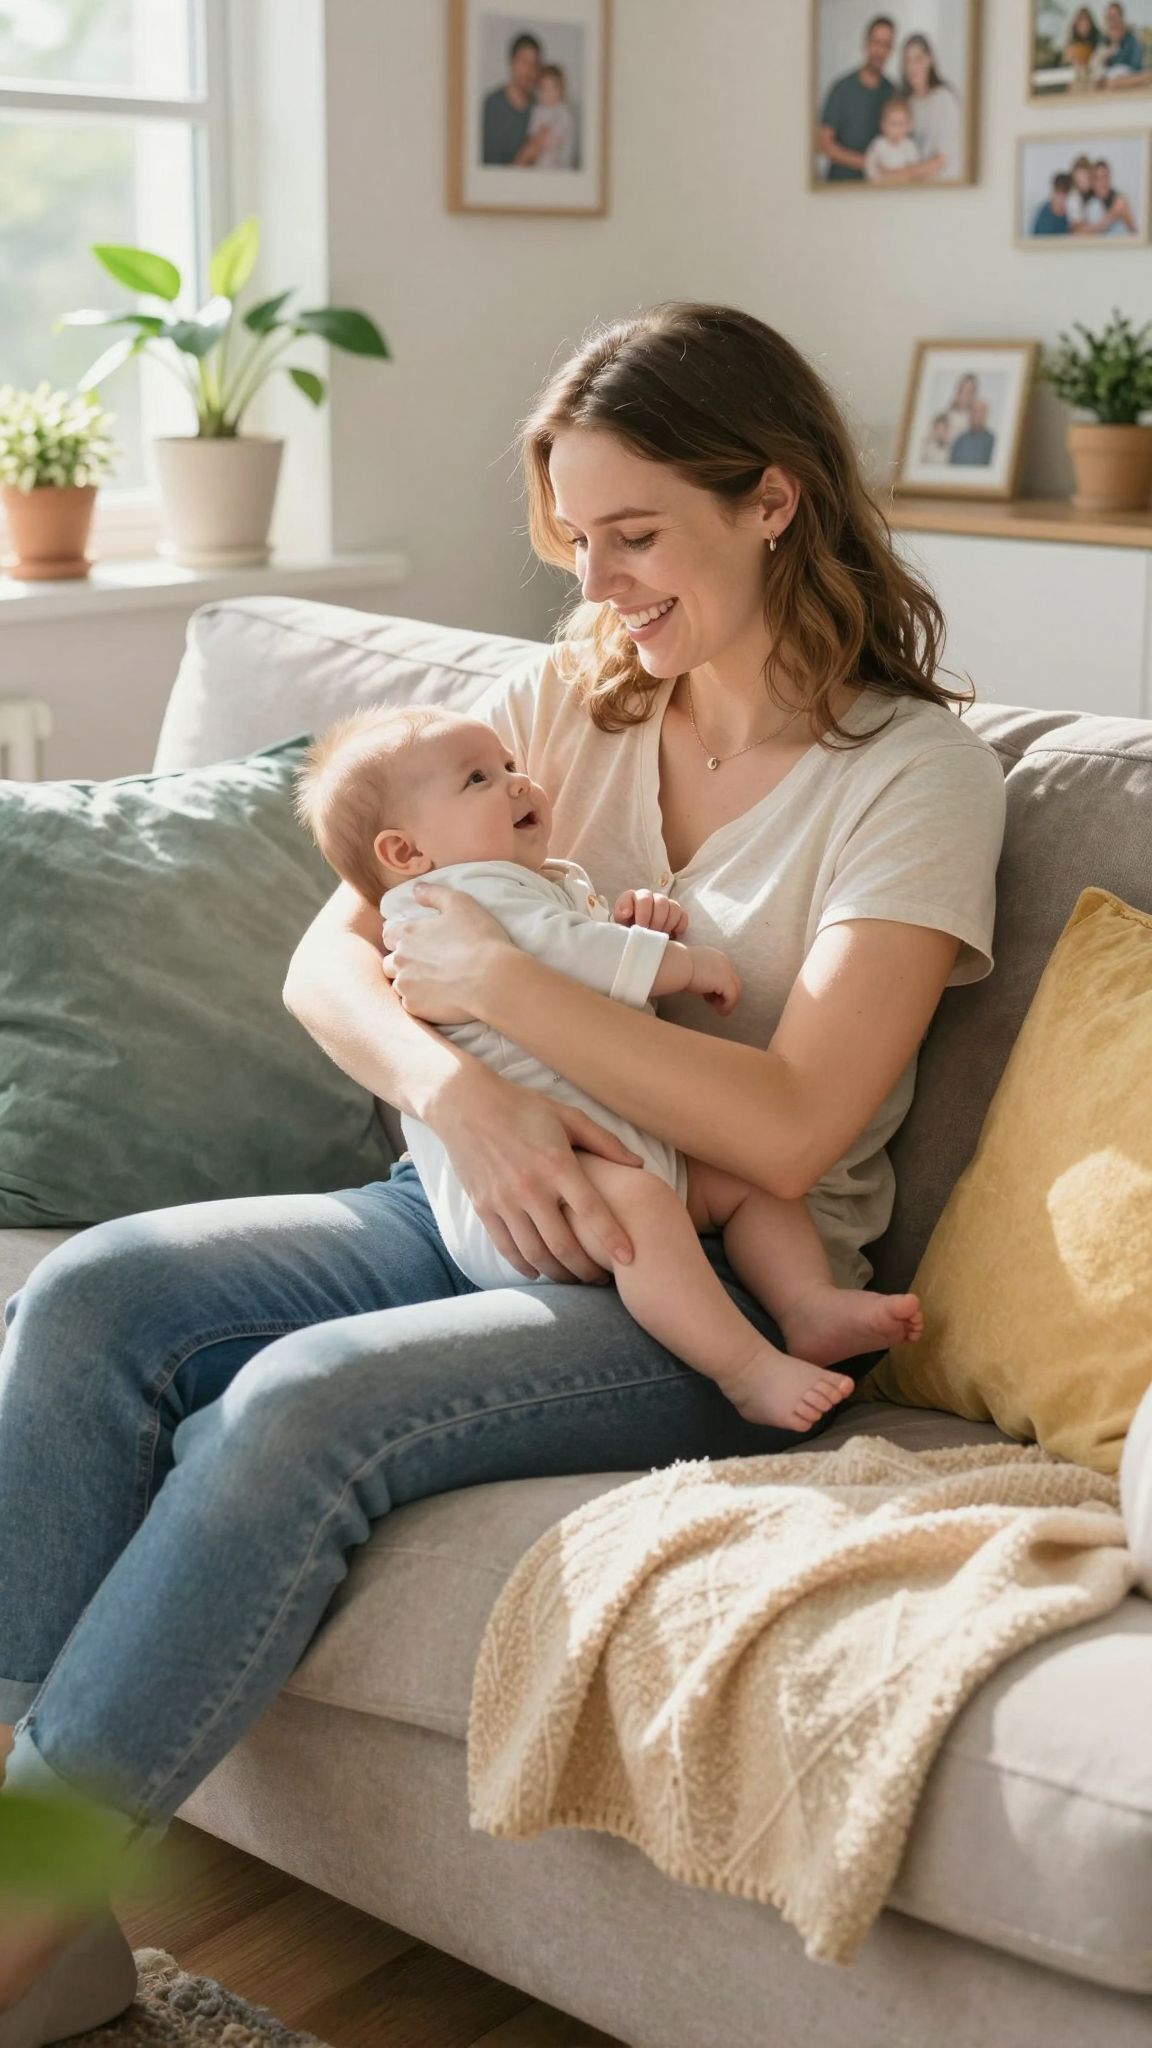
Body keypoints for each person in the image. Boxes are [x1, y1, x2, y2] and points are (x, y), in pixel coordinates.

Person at [0, 303, 1007, 2026]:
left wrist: (511, 989)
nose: (597, 582)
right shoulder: (564, 698)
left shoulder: (914, 773)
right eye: (575, 539)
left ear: (768, 499)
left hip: (681, 1274)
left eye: (636, 536)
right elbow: (339, 955)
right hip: (462, 1192)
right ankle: (38, 1881)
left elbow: (785, 1124)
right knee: (91, 1292)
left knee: (296, 1406)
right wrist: (458, 1092)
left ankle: (18, 1919)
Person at [297, 704, 925, 1430]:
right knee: (645, 1209)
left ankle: (805, 1304)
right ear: (405, 854)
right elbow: (567, 952)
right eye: (480, 778)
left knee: (750, 1187)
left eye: (507, 764)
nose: (517, 780)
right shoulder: (458, 893)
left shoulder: (517, 879)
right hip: (537, 1193)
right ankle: (747, 1369)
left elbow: (563, 950)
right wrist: (683, 964)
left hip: (618, 1151)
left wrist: (627, 926)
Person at [817, 14, 896, 182]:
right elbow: (823, 144)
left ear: (891, 50)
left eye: (887, 45)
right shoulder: (841, 88)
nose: (881, 51)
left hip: (880, 193)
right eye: (877, 43)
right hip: (839, 189)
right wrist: (867, 163)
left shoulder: (893, 92)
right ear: (866, 44)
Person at [902, 32, 962, 181]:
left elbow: (941, 160)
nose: (912, 67)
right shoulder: (907, 103)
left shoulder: (944, 99)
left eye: (917, 59)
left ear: (930, 60)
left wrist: (893, 176)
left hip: (942, 189)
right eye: (907, 61)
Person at [481, 30, 541, 166]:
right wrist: (526, 155)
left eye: (535, 64)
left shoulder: (541, 106)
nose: (530, 70)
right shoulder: (491, 105)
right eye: (524, 62)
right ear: (511, 62)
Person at [518, 61, 578, 169]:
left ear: (561, 90)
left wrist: (549, 136)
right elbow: (532, 133)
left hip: (561, 159)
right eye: (543, 88)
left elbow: (565, 133)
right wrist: (538, 136)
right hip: (541, 160)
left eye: (552, 88)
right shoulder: (538, 110)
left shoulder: (564, 111)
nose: (547, 93)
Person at [863, 96, 925, 182]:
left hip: (905, 188)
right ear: (883, 125)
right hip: (881, 188)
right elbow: (870, 166)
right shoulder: (878, 145)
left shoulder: (909, 145)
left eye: (901, 124)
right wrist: (879, 179)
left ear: (909, 126)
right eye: (893, 124)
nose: (897, 129)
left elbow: (915, 169)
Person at [1095, 1, 1147, 84]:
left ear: (1121, 18)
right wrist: (1104, 55)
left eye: (1115, 16)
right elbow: (1094, 70)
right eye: (1109, 18)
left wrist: (1124, 80)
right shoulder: (1103, 42)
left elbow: (1139, 70)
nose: (1112, 21)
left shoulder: (1134, 41)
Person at [1087, 155, 1138, 232]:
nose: (1101, 183)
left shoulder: (1120, 199)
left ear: (1110, 178)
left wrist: (1125, 214)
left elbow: (1134, 232)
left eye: (1105, 177)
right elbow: (1089, 234)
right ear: (1093, 182)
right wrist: (1115, 212)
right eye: (1097, 178)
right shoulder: (1090, 204)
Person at [949, 399, 996, 467]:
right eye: (975, 411)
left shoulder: (993, 440)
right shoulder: (960, 441)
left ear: (986, 415)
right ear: (970, 414)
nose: (978, 415)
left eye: (981, 412)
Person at [1032, 169, 1074, 234]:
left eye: (1064, 197)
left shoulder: (1069, 214)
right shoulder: (1044, 213)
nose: (1060, 200)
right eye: (1058, 194)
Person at [1064, 5, 1102, 72]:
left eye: (1086, 22)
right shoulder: (1072, 44)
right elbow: (1066, 61)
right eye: (1081, 22)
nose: (1084, 26)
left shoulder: (1098, 40)